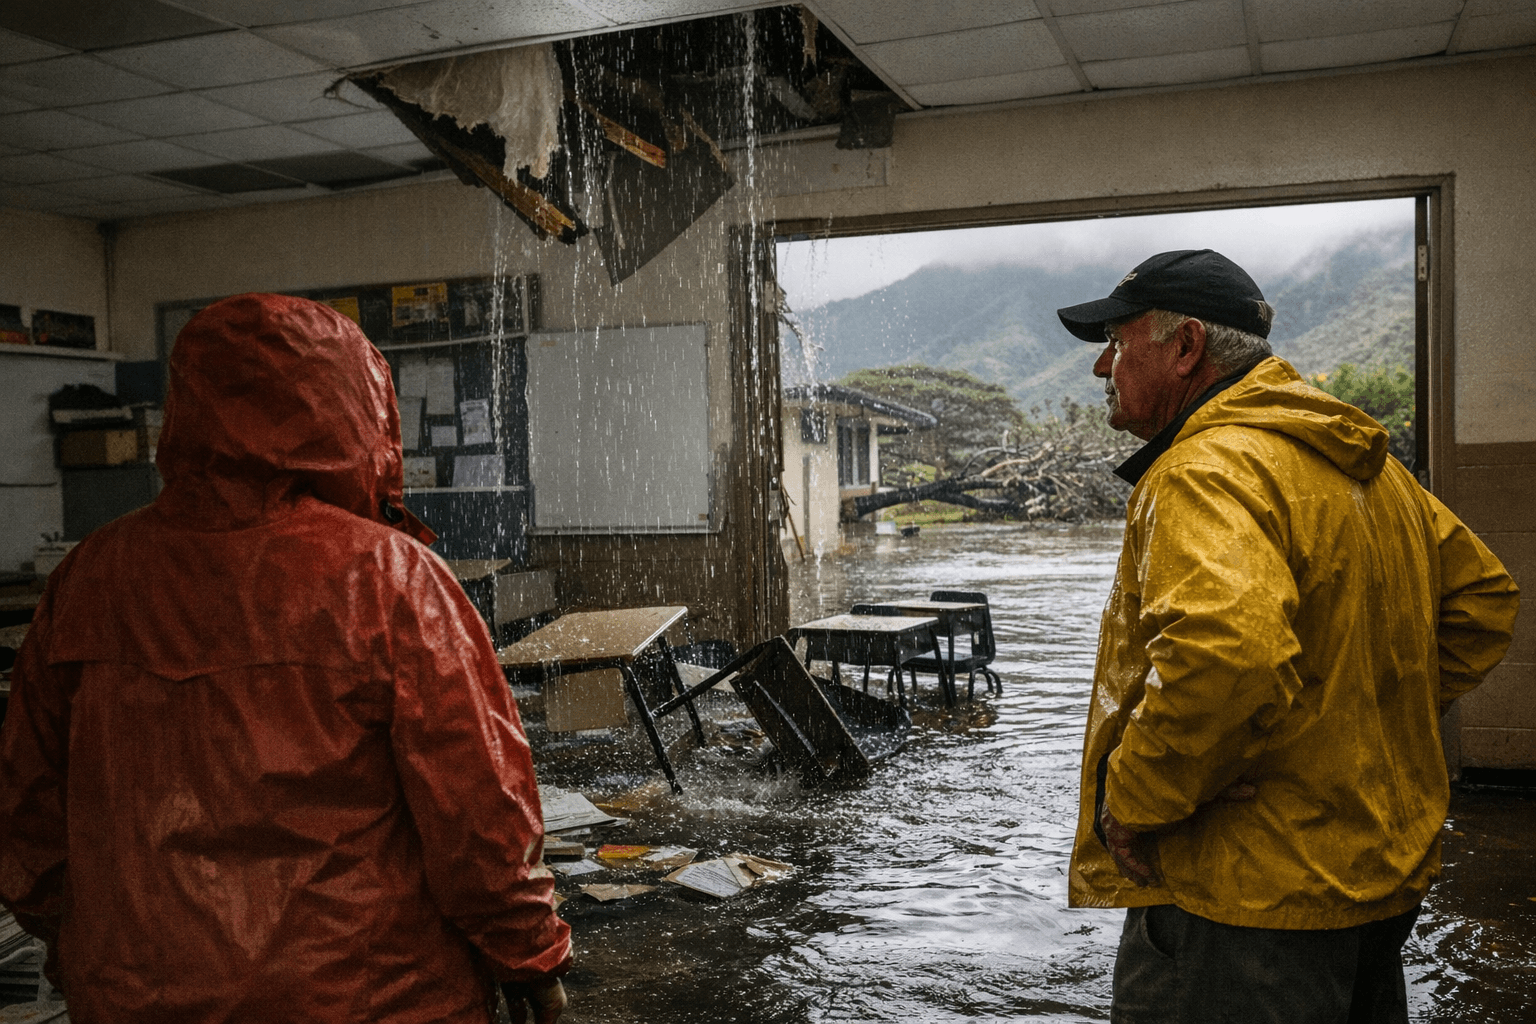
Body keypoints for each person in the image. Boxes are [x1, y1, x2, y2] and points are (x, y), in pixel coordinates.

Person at [0, 294, 571, 1024]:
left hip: (133, 990)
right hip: (370, 994)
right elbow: (479, 815)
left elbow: (26, 812)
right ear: (356, 411)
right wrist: (528, 957)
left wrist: (92, 948)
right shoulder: (391, 578)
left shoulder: (88, 577)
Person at [1056, 250, 1519, 1023]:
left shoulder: (1203, 469)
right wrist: (1344, 726)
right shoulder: (1368, 466)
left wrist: (1136, 803)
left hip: (1248, 896)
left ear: (1185, 345)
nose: (1103, 366)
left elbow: (1224, 651)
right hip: (1372, 875)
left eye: (1116, 340)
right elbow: (1480, 603)